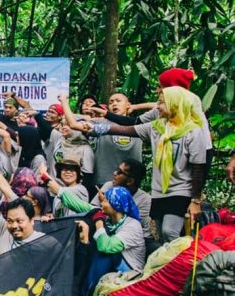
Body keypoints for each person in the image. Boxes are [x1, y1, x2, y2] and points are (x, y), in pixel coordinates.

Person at [82, 86, 208, 243]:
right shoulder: (156, 127)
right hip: (159, 191)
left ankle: (180, 265)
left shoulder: (193, 131)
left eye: (161, 103)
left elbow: (198, 168)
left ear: (174, 104)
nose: (158, 107)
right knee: (162, 235)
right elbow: (126, 129)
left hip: (181, 190)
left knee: (170, 232)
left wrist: (195, 201)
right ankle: (167, 266)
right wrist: (96, 128)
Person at [42, 172, 145, 296]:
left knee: (103, 252)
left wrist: (98, 222)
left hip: (129, 272)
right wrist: (58, 190)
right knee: (87, 235)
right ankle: (71, 292)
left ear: (116, 205)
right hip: (113, 268)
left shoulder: (132, 226)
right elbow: (83, 206)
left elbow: (107, 247)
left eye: (105, 201)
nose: (101, 204)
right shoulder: (110, 218)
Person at [91, 159, 156, 255]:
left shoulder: (145, 199)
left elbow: (128, 223)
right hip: (108, 230)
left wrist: (105, 212)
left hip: (130, 239)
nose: (114, 173)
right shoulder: (109, 186)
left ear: (130, 181)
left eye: (119, 172)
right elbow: (93, 208)